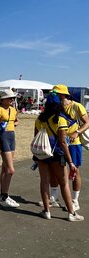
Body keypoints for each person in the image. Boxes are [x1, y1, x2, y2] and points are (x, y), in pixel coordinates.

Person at [34, 93, 84, 221]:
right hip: (56, 154)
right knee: (64, 184)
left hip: (42, 154)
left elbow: (36, 137)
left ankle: (46, 211)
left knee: (44, 182)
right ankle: (71, 213)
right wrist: (70, 161)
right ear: (58, 105)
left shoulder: (39, 119)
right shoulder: (60, 120)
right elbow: (62, 142)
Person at [48, 84, 89, 211]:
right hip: (58, 143)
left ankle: (75, 200)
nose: (53, 95)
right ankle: (54, 198)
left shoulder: (76, 106)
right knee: (55, 171)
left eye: (56, 93)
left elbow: (87, 122)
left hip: (74, 143)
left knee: (74, 171)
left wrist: (77, 132)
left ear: (63, 94)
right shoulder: (56, 107)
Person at [0, 89, 20, 208]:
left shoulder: (13, 110)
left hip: (11, 136)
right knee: (10, 170)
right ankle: (4, 196)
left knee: (5, 168)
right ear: (3, 99)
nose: (12, 100)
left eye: (13, 98)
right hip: (3, 137)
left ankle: (2, 194)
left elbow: (17, 121)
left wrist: (14, 124)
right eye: (10, 98)